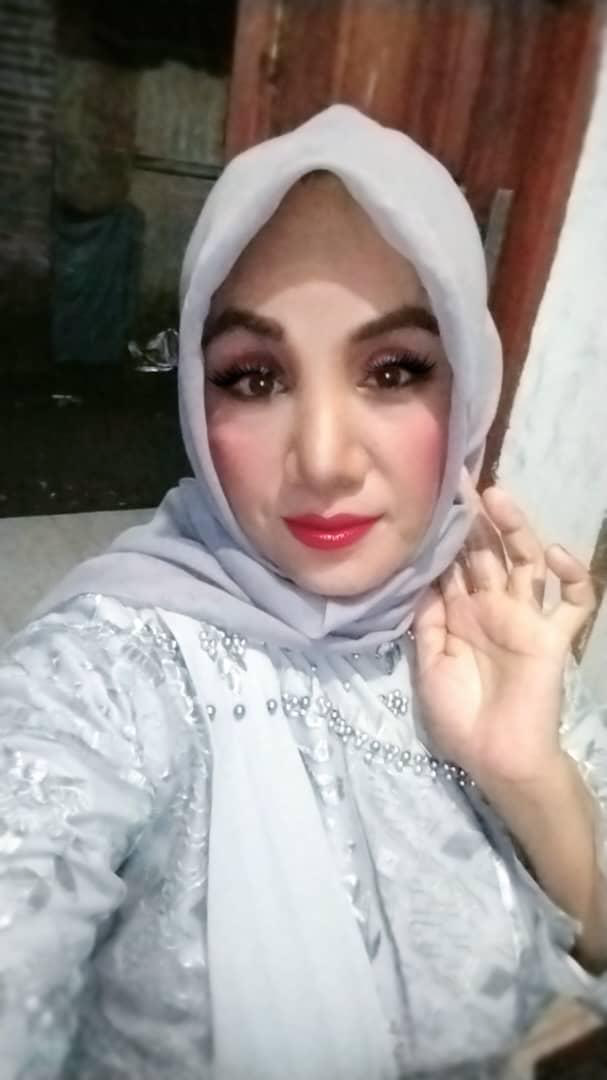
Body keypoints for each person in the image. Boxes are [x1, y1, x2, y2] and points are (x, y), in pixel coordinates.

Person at [0, 105, 606, 1080]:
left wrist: (532, 781)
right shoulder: (109, 670)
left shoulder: (492, 630)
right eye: (253, 378)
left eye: (393, 370)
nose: (323, 461)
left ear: (468, 386)